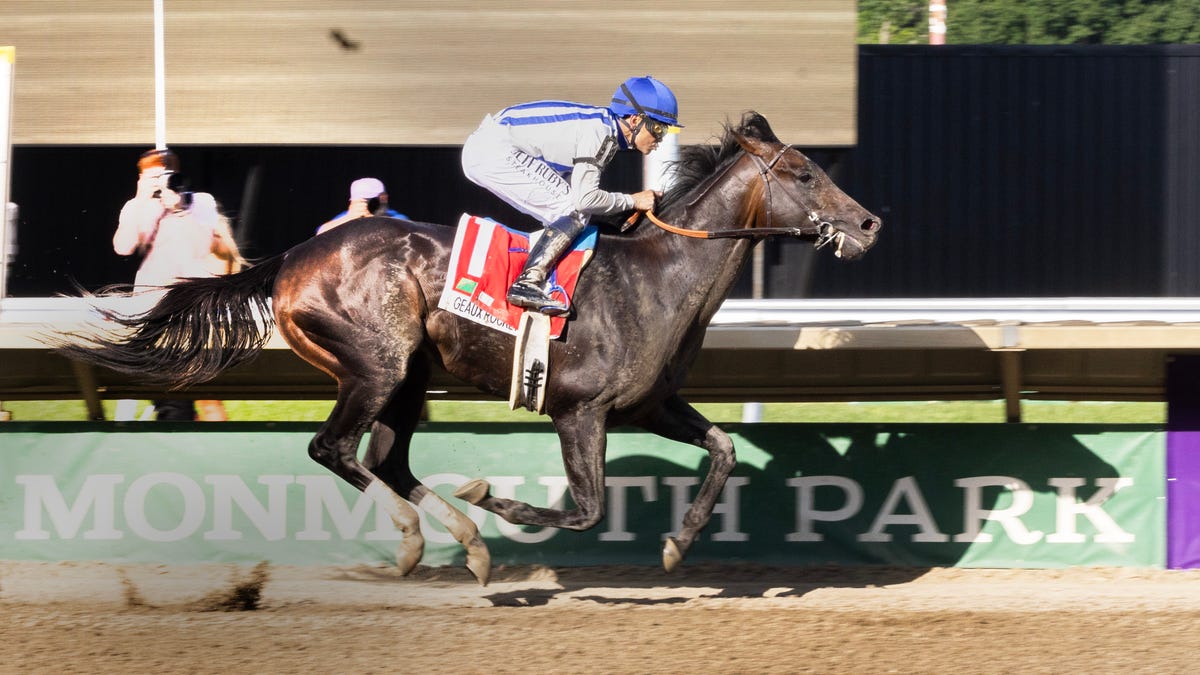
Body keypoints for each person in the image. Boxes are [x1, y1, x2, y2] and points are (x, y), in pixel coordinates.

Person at [461, 75, 681, 316]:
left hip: (491, 146)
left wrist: (624, 208)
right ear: (635, 119)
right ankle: (527, 282)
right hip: (494, 150)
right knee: (573, 210)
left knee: (575, 211)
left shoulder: (602, 126)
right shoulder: (602, 134)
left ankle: (542, 278)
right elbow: (584, 200)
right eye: (658, 128)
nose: (660, 139)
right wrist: (633, 200)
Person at [112, 148, 244, 421]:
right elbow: (123, 247)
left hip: (195, 306)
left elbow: (205, 246)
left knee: (208, 394)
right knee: (171, 400)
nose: (160, 184)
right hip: (153, 308)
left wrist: (181, 210)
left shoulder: (200, 202)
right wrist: (141, 200)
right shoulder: (136, 206)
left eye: (164, 177)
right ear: (141, 178)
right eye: (152, 178)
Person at [316, 177, 407, 235]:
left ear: (384, 199)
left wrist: (378, 220)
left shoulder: (397, 218)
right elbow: (319, 236)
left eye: (372, 201)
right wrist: (349, 218)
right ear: (352, 202)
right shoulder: (346, 218)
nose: (367, 206)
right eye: (363, 201)